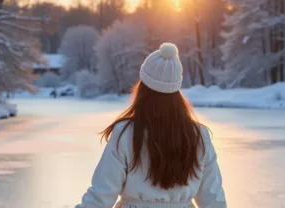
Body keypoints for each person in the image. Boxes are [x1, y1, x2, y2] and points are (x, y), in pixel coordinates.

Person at [76, 43, 226, 208]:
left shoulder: (126, 133)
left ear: (143, 87)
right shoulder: (199, 136)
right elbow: (213, 200)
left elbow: (101, 196)